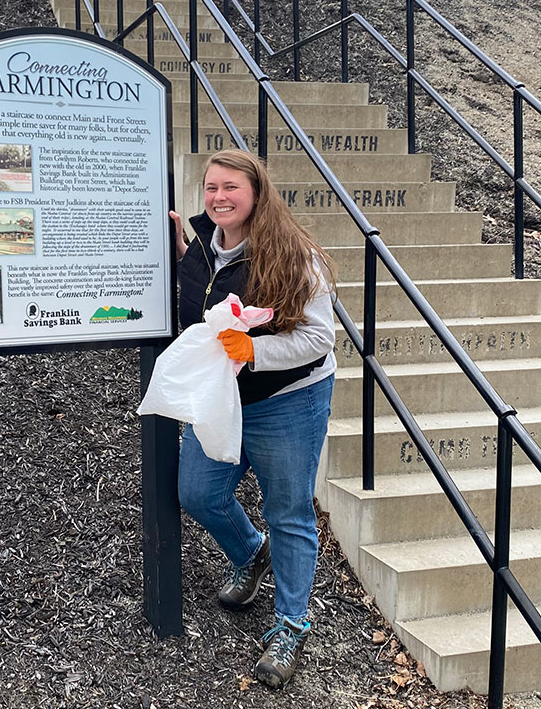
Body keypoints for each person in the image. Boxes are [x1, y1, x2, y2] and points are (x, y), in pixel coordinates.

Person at [169, 149, 337, 689]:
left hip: (289, 398)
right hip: (223, 397)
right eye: (211, 187)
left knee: (288, 512)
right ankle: (251, 550)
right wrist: (184, 259)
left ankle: (289, 625)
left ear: (257, 193)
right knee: (197, 491)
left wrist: (254, 352)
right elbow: (202, 300)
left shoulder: (292, 252)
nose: (218, 197)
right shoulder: (201, 248)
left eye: (231, 188)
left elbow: (318, 337)